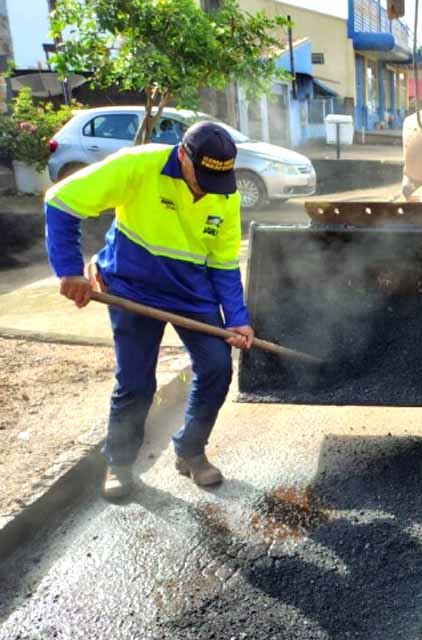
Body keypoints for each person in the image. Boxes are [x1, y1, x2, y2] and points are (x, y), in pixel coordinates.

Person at [45, 121, 254, 500]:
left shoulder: (226, 193)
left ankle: (190, 450)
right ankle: (120, 464)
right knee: (137, 382)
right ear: (183, 156)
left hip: (192, 291)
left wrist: (237, 318)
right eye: (201, 176)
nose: (206, 188)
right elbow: (61, 201)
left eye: (215, 181)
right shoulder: (138, 166)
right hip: (133, 287)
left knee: (218, 367)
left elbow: (224, 263)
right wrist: (70, 271)